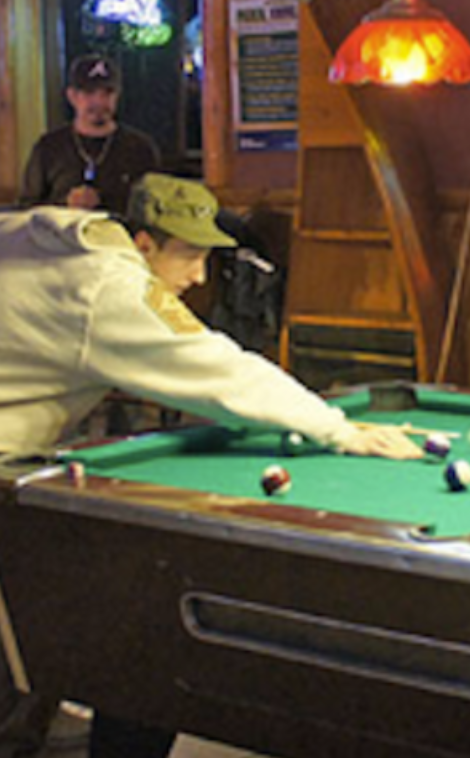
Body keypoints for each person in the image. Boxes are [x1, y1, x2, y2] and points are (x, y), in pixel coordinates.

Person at [0, 173, 423, 758]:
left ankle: (37, 712)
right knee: (91, 629)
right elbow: (218, 370)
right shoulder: (109, 286)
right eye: (189, 255)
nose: (200, 276)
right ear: (143, 243)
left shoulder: (59, 231)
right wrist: (338, 428)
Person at [19, 53, 160, 214]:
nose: (98, 101)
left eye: (107, 93)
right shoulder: (48, 148)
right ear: (72, 96)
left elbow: (155, 209)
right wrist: (64, 202)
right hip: (61, 230)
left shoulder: (140, 148)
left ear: (117, 95)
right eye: (89, 92)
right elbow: (27, 210)